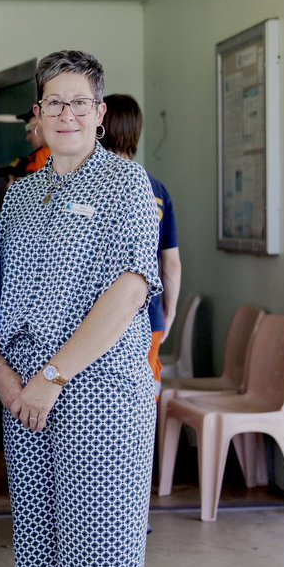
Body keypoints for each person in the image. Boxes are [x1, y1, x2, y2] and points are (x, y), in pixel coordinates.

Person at [0, 50, 161, 567]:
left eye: (78, 103)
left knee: (101, 555)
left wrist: (54, 375)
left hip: (96, 394)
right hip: (23, 396)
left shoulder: (126, 184)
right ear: (36, 115)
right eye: (52, 103)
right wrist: (2, 372)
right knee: (43, 549)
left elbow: (128, 291)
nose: (65, 114)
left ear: (99, 113)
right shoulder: (20, 196)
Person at [100, 94, 181, 397]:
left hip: (99, 312)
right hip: (149, 312)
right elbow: (171, 263)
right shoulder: (156, 188)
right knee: (143, 393)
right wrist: (168, 312)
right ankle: (144, 447)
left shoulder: (95, 183)